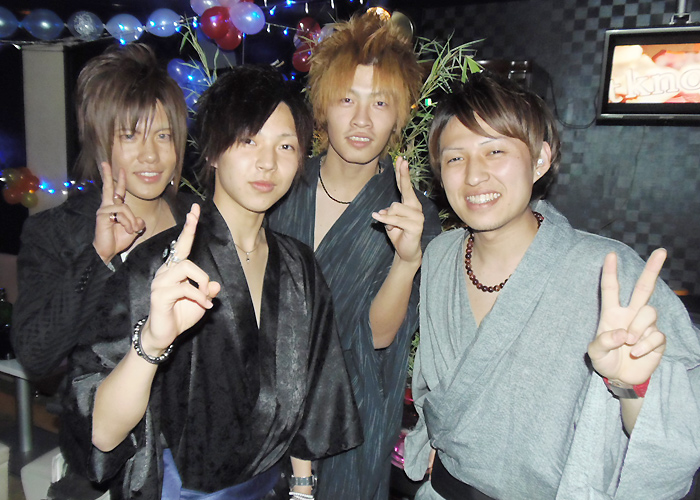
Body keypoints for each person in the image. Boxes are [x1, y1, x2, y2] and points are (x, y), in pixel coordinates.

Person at [61, 65, 363, 500]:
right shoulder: (158, 266)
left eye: (285, 145)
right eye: (249, 141)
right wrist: (152, 342)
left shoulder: (300, 267)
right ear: (215, 152)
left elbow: (313, 398)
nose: (267, 162)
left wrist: (302, 489)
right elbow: (103, 434)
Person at [402, 71, 700, 499]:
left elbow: (676, 437)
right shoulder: (440, 256)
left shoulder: (606, 272)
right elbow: (436, 393)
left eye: (495, 151)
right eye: (455, 159)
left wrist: (630, 387)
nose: (474, 176)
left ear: (540, 159)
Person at [268, 11, 442, 500]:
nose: (362, 120)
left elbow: (379, 337)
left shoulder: (413, 213)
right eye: (347, 99)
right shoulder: (282, 186)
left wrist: (406, 262)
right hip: (268, 409)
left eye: (380, 102)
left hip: (354, 418)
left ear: (399, 115)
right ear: (323, 106)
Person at [11, 43, 189, 378]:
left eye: (163, 135)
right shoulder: (57, 232)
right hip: (98, 411)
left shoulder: (200, 221)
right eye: (130, 136)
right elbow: (35, 355)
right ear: (99, 143)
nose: (151, 155)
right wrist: (98, 256)